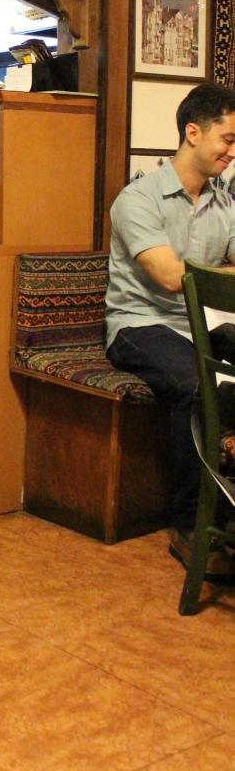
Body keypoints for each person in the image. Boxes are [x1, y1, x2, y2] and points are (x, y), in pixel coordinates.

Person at [106, 82, 235, 575]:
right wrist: (220, 274)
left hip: (204, 323)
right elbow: (168, 276)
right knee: (198, 381)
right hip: (140, 325)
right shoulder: (138, 198)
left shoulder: (225, 203)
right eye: (227, 139)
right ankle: (190, 526)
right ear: (193, 133)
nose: (231, 152)